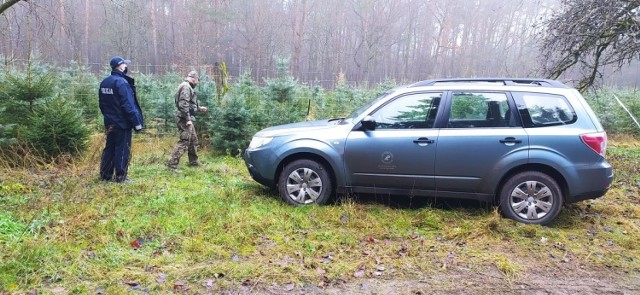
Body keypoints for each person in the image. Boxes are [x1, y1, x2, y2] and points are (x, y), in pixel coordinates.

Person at [98, 56, 144, 183]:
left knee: (109, 148)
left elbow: (102, 104)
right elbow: (128, 106)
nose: (126, 67)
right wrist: (137, 123)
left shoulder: (105, 82)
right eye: (124, 65)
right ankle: (120, 177)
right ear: (120, 66)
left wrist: (108, 117)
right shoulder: (122, 83)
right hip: (122, 124)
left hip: (109, 122)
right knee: (122, 148)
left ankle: (105, 175)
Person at [167, 71, 207, 170]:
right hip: (184, 118)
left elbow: (189, 103)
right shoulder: (186, 87)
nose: (197, 83)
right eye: (197, 80)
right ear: (194, 78)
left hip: (186, 117)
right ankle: (172, 165)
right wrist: (188, 119)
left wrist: (198, 108)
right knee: (184, 141)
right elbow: (183, 104)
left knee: (193, 140)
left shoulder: (187, 87)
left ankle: (193, 162)